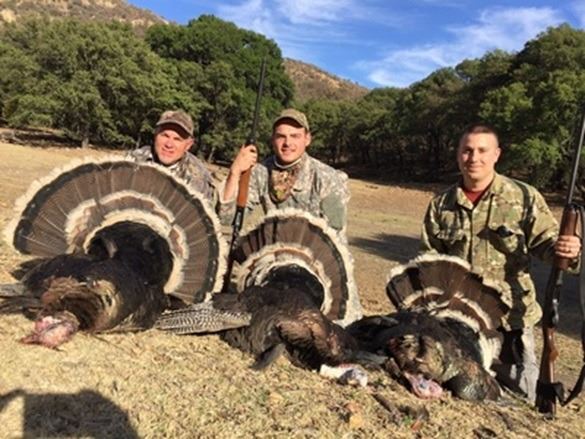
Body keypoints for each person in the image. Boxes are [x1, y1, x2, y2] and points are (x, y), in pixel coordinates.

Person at [420, 123, 581, 402]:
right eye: (467, 150)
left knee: (525, 396)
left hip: (511, 322)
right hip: (458, 322)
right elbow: (428, 263)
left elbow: (548, 246)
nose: (474, 158)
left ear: (496, 155)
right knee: (459, 393)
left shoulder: (524, 197)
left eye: (482, 150)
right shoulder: (441, 205)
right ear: (458, 155)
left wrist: (569, 250)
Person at [217, 108, 362, 325]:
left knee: (343, 327)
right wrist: (235, 171)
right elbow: (227, 218)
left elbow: (336, 241)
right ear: (273, 139)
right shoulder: (260, 172)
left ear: (307, 139)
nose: (287, 143)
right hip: (275, 267)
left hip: (317, 270)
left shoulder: (328, 178)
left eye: (295, 136)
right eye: (281, 136)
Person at [128, 110, 215, 202]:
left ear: (188, 145)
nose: (169, 144)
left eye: (177, 139)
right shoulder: (134, 160)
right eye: (165, 136)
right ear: (155, 135)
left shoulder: (198, 178)